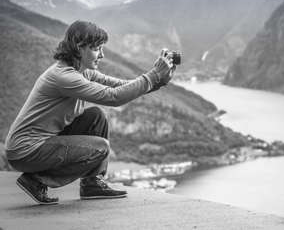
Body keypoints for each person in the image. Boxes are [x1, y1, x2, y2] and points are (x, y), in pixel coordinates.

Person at [5, 20, 176, 205]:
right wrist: (153, 75)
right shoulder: (64, 76)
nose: (102, 55)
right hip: (25, 151)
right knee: (100, 147)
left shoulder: (83, 72)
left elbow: (122, 86)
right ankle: (37, 180)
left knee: (95, 116)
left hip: (42, 143)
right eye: (97, 49)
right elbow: (114, 97)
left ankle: (92, 183)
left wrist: (160, 80)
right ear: (79, 48)